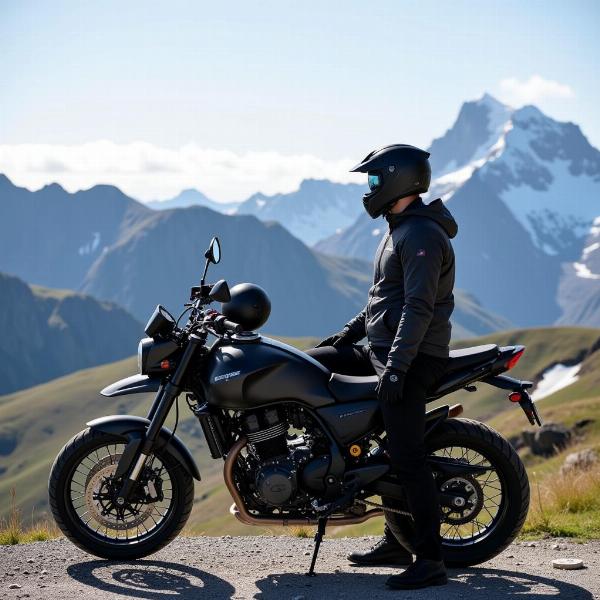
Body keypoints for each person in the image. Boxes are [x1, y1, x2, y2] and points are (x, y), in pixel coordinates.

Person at [307, 144, 457, 590]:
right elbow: (381, 299)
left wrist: (395, 369)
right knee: (310, 367)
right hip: (382, 347)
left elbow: (418, 308)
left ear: (398, 180)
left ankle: (430, 559)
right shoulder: (399, 229)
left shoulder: (424, 236)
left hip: (413, 357)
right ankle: (395, 538)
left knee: (406, 456)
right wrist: (349, 333)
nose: (368, 189)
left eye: (373, 180)